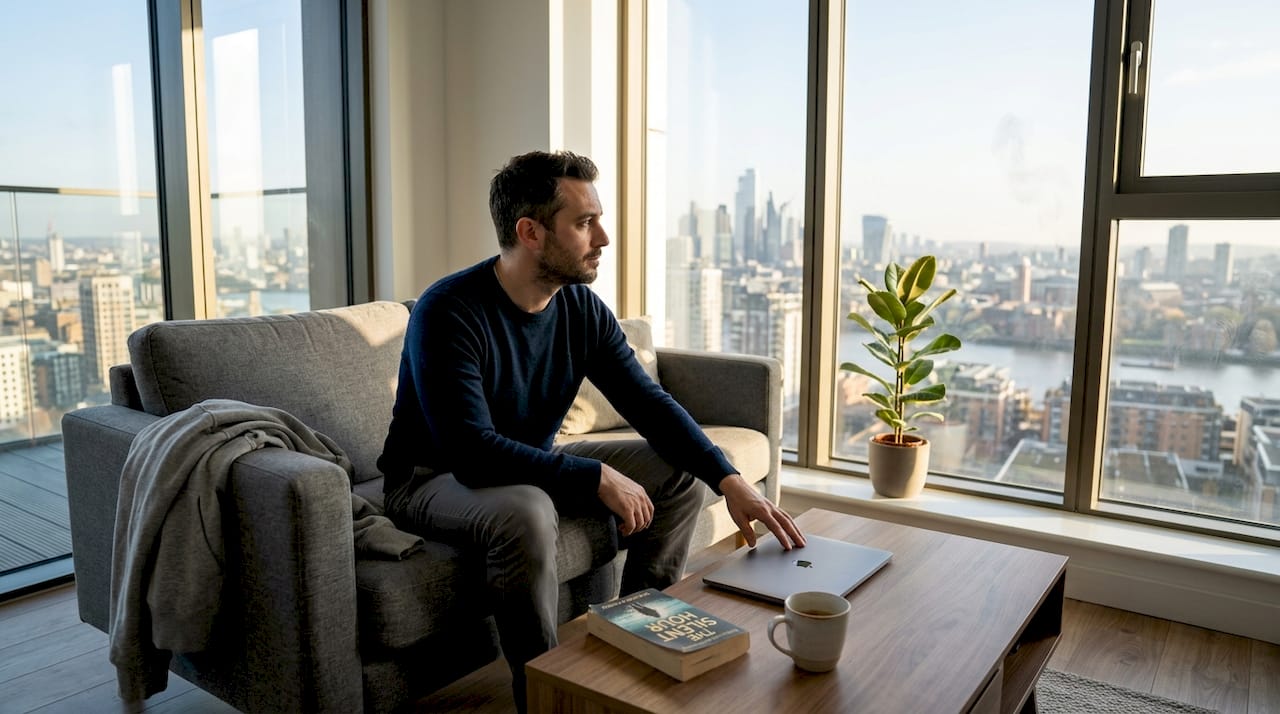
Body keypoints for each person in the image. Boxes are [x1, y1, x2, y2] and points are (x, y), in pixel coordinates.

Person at [377, 149, 804, 710]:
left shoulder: (580, 307)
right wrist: (593, 474)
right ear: (530, 232)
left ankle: (635, 636)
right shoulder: (448, 311)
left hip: (524, 459)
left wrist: (729, 479)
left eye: (597, 219)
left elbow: (648, 402)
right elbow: (473, 453)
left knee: (679, 474)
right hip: (431, 477)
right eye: (584, 223)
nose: (603, 237)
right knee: (526, 510)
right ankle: (547, 694)